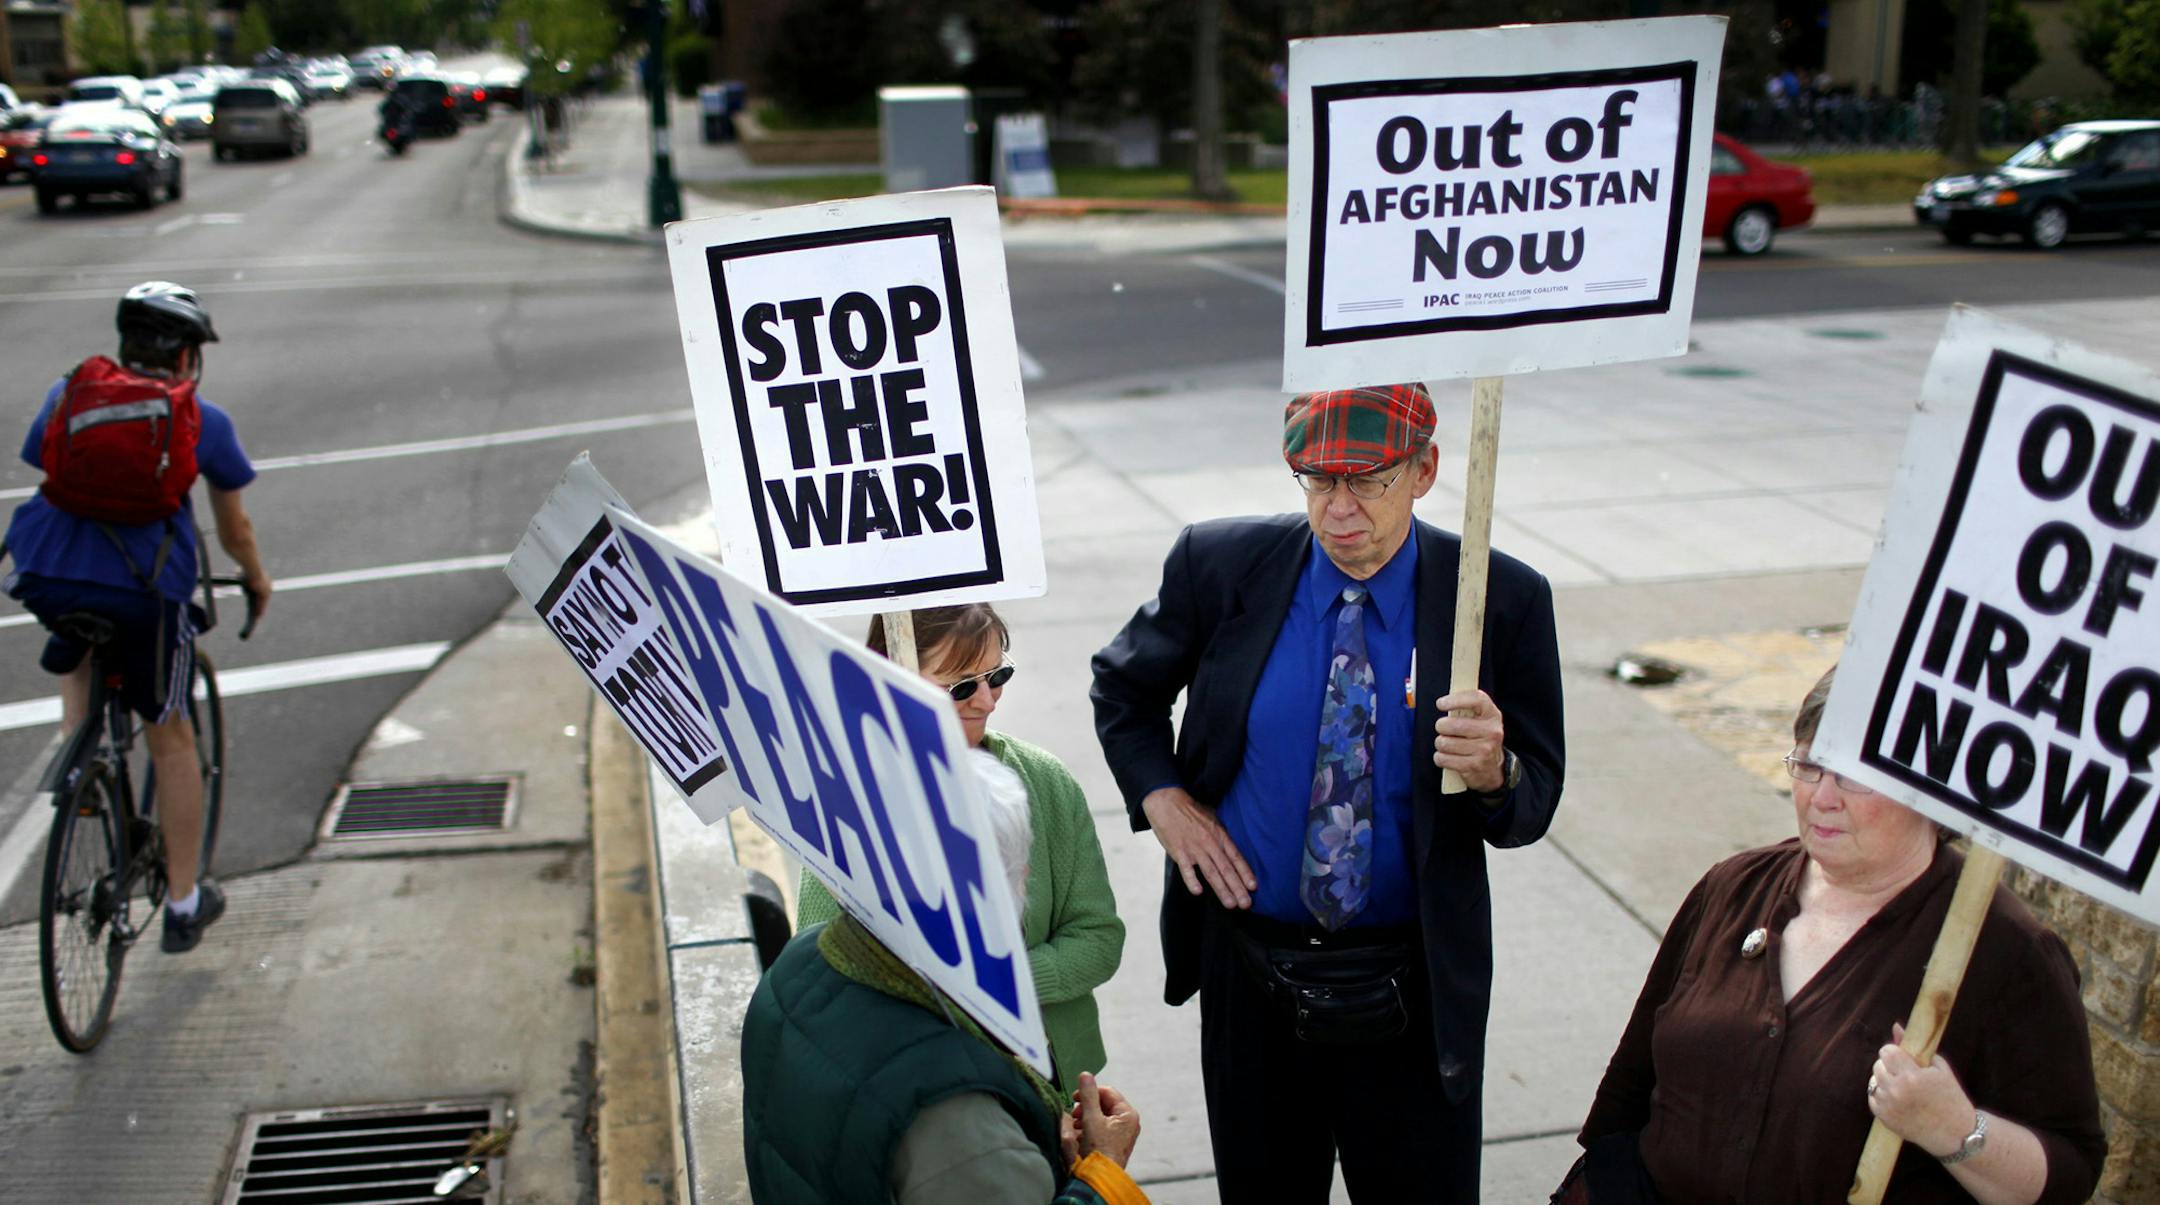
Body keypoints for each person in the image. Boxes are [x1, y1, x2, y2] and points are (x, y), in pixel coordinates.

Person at [1090, 383, 1566, 1202]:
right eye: (1317, 479)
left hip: (1411, 988)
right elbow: (1122, 691)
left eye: (1367, 480)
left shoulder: (1497, 599)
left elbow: (1533, 798)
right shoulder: (1222, 564)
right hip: (1252, 973)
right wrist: (1164, 799)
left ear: (1424, 471)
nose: (1339, 508)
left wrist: (1497, 771)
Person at [1572, 666, 2106, 1204]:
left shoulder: (2004, 952)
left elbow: (2069, 1174)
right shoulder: (1733, 887)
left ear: (1931, 793)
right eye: (1810, 764)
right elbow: (1631, 1087)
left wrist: (1955, 1131)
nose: (1822, 797)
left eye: (1856, 774)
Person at [743, 749, 1149, 1204]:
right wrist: (1103, 1173)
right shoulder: (958, 1116)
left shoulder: (798, 962)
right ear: (1007, 883)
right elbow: (967, 1161)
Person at [4, 281, 271, 954]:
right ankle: (182, 903)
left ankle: (80, 750)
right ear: (185, 356)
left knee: (79, 631)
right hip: (145, 591)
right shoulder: (201, 419)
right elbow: (232, 527)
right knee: (171, 735)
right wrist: (256, 577)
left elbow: (45, 464)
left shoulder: (67, 393)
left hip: (50, 570)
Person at [796, 603, 1125, 1099]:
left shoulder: (1046, 780)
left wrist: (990, 984)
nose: (988, 701)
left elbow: (1099, 939)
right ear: (891, 678)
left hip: (1052, 1087)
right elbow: (822, 971)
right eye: (961, 686)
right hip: (920, 1094)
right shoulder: (850, 804)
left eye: (998, 676)